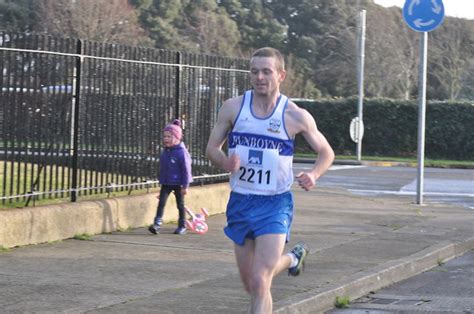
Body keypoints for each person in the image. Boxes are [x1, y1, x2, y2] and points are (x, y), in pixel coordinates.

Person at [205, 47, 334, 313]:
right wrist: (224, 161)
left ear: (281, 75)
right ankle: (292, 258)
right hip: (240, 201)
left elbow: (326, 152)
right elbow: (211, 149)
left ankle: (289, 258)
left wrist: (313, 174)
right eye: (254, 71)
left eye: (266, 71)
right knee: (251, 284)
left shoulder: (295, 115)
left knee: (260, 279)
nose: (259, 77)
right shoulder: (233, 108)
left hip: (275, 204)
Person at [149, 119, 193, 235]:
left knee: (180, 205)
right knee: (161, 203)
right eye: (165, 137)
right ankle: (157, 224)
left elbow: (186, 170)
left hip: (178, 183)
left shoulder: (181, 152)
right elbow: (164, 169)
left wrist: (185, 186)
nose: (166, 139)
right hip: (166, 183)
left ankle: (182, 224)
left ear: (177, 137)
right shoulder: (166, 152)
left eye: (169, 137)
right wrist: (162, 183)